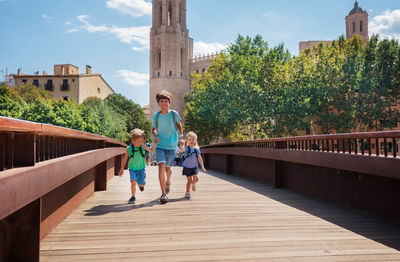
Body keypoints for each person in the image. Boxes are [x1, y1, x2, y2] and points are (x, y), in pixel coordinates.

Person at [151, 90, 183, 203]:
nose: (164, 103)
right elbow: (153, 129)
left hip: (172, 145)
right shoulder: (156, 116)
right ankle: (163, 194)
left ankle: (168, 180)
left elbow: (179, 126)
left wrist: (181, 137)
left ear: (169, 103)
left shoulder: (173, 114)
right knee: (161, 167)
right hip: (160, 145)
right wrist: (155, 135)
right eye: (161, 101)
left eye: (166, 101)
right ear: (158, 103)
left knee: (168, 169)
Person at [119, 129, 158, 204]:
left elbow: (151, 150)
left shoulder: (142, 146)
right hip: (132, 168)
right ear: (133, 140)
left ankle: (141, 185)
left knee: (141, 183)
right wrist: (122, 169)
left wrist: (155, 144)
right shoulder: (129, 149)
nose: (141, 143)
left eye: (142, 141)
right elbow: (124, 159)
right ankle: (133, 197)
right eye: (139, 141)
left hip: (141, 169)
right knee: (133, 182)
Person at [179, 131, 206, 199]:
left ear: (195, 141)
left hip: (194, 167)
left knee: (196, 179)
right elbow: (182, 150)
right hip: (187, 167)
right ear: (187, 141)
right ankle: (187, 192)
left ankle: (193, 184)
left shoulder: (197, 149)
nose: (191, 141)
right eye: (189, 139)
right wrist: (181, 145)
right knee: (189, 180)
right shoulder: (186, 148)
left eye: (193, 139)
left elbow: (199, 158)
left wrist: (202, 167)